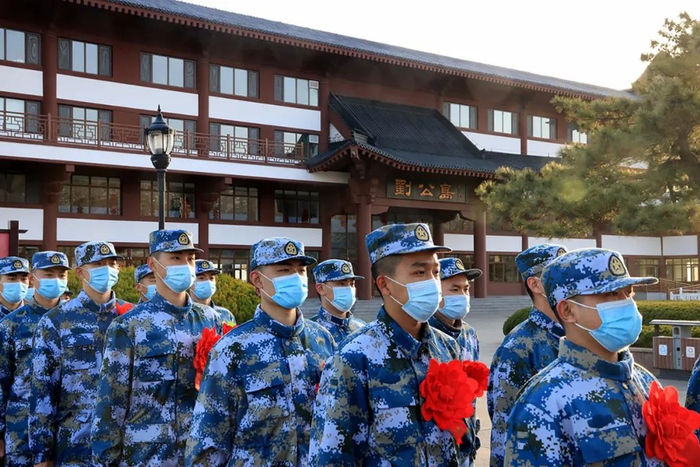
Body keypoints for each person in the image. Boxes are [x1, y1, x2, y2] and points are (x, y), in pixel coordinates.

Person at [309, 223, 476, 466]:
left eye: (435, 272)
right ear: (385, 284)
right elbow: (331, 457)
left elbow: (462, 437)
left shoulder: (447, 347)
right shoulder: (353, 359)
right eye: (419, 273)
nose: (432, 282)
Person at [185, 237, 335, 466]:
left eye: (301, 270)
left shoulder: (322, 339)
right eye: (284, 270)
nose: (296, 278)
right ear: (257, 279)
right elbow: (209, 438)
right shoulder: (232, 348)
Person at [504, 248, 661, 465]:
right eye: (611, 294)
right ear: (568, 311)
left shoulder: (646, 381)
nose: (627, 303)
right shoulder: (543, 402)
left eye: (628, 292)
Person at [91, 230, 223, 466]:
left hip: (200, 454)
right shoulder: (128, 326)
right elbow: (110, 402)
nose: (185, 265)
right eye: (175, 258)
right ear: (153, 264)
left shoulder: (211, 319)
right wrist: (105, 459)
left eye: (190, 259)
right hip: (147, 456)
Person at [30, 242, 129, 466]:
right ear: (80, 272)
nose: (107, 269)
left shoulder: (131, 318)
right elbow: (43, 390)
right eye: (98, 264)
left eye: (112, 263)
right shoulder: (56, 320)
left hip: (126, 444)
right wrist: (42, 453)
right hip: (76, 444)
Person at [487, 243, 567, 467]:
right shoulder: (517, 349)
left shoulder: (579, 334)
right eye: (559, 272)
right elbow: (506, 433)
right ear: (535, 284)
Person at [0, 252, 69, 467]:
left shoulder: (75, 320)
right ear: (34, 278)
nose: (55, 280)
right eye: (48, 274)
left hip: (69, 430)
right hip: (22, 430)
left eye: (61, 275)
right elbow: (1, 382)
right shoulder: (12, 324)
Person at [430, 257, 482, 361]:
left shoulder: (469, 333)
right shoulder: (423, 332)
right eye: (455, 289)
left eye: (466, 289)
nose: (463, 295)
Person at [310, 259, 365, 344]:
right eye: (341, 284)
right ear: (320, 288)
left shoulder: (363, 328)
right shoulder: (310, 331)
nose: (349, 289)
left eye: (352, 284)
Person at [189, 259, 236, 324]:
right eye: (201, 278)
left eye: (211, 278)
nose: (208, 282)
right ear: (189, 281)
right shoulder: (183, 315)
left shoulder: (226, 315)